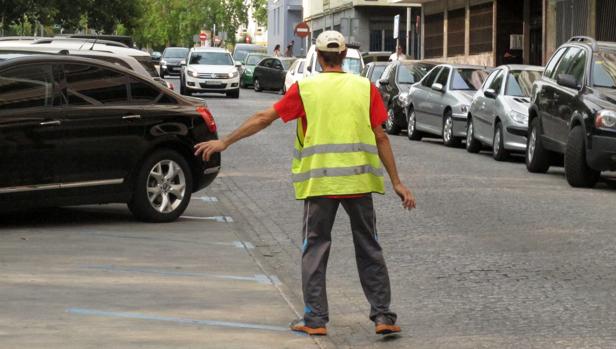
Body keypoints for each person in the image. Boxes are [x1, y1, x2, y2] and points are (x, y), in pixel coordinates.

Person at [194, 30, 416, 337]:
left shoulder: (306, 89)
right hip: (359, 183)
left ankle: (315, 320)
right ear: (343, 57)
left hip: (320, 184)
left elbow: (263, 117)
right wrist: (397, 182)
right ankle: (382, 316)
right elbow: (380, 136)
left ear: (318, 56)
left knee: (315, 249)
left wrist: (226, 142)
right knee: (369, 247)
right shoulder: (364, 88)